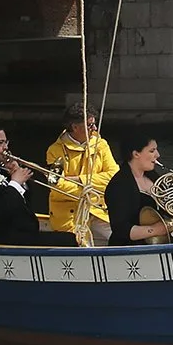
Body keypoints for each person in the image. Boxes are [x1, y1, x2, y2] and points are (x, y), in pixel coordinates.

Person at [45, 99, 116, 245]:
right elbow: (57, 187)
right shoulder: (55, 151)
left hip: (98, 209)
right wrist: (92, 188)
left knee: (122, 237)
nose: (95, 128)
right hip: (69, 215)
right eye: (90, 125)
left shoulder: (101, 144)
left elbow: (113, 176)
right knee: (81, 246)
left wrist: (78, 180)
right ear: (75, 127)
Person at [104, 136, 173, 245]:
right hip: (129, 248)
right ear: (136, 154)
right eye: (152, 151)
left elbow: (169, 210)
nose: (157, 155)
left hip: (158, 241)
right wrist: (155, 230)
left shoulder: (153, 176)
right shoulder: (118, 185)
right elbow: (121, 229)